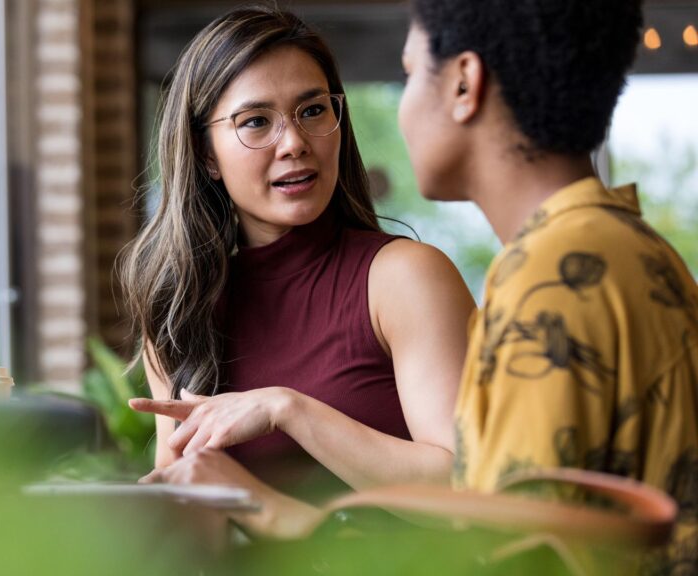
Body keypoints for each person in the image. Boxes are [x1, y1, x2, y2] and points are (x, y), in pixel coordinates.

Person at [119, 6, 475, 538]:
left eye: (312, 110)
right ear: (205, 153)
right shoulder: (178, 310)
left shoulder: (403, 278)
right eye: (256, 121)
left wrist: (289, 409)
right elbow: (190, 504)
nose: (294, 143)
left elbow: (470, 493)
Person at [400, 0, 697, 570]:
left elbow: (511, 555)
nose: (405, 106)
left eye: (411, 73)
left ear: (465, 83)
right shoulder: (628, 248)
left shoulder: (552, 278)